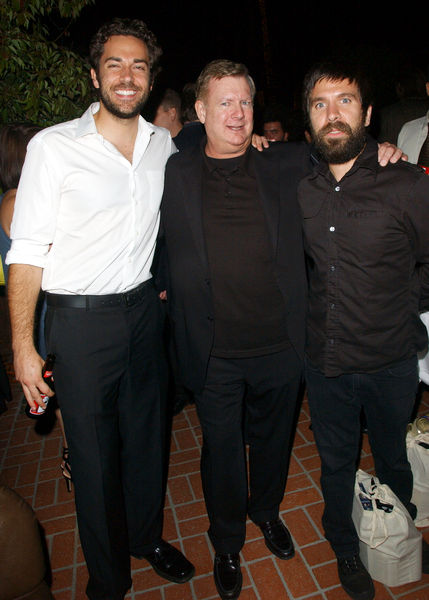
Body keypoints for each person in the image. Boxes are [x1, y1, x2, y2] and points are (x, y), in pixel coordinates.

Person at [6, 18, 194, 600]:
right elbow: (28, 251)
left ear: (150, 77)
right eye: (114, 63)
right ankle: (107, 581)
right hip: (79, 323)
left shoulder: (165, 146)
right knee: (92, 458)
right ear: (94, 74)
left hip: (144, 314)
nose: (127, 74)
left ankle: (145, 537)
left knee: (147, 440)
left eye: (138, 64)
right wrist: (23, 346)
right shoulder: (54, 147)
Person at [299, 61, 429, 600]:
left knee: (393, 456)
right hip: (325, 361)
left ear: (368, 113)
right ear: (306, 120)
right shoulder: (297, 184)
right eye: (320, 104)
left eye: (345, 101)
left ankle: (396, 529)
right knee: (336, 461)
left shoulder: (405, 182)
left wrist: (404, 307)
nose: (333, 115)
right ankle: (346, 544)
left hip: (391, 357)